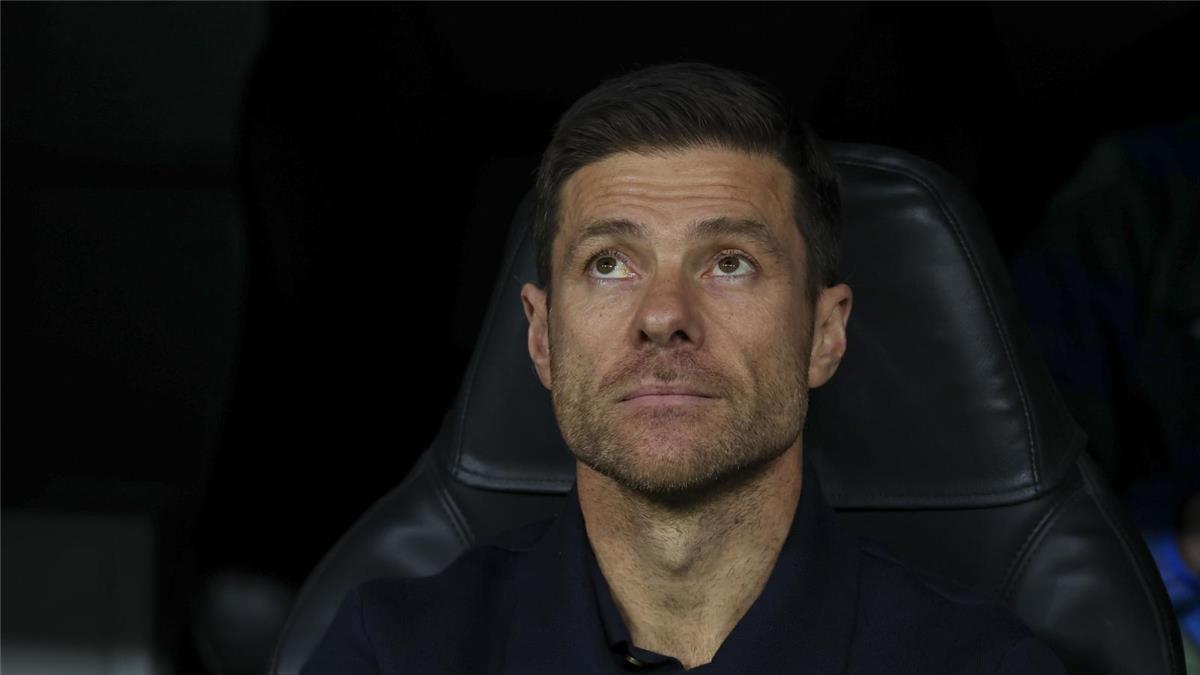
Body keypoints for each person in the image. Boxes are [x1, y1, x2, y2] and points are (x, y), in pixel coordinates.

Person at [301, 62, 1066, 673]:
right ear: (541, 337)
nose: (664, 314)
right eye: (609, 263)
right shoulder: (392, 652)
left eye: (730, 262)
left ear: (824, 335)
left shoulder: (985, 666)